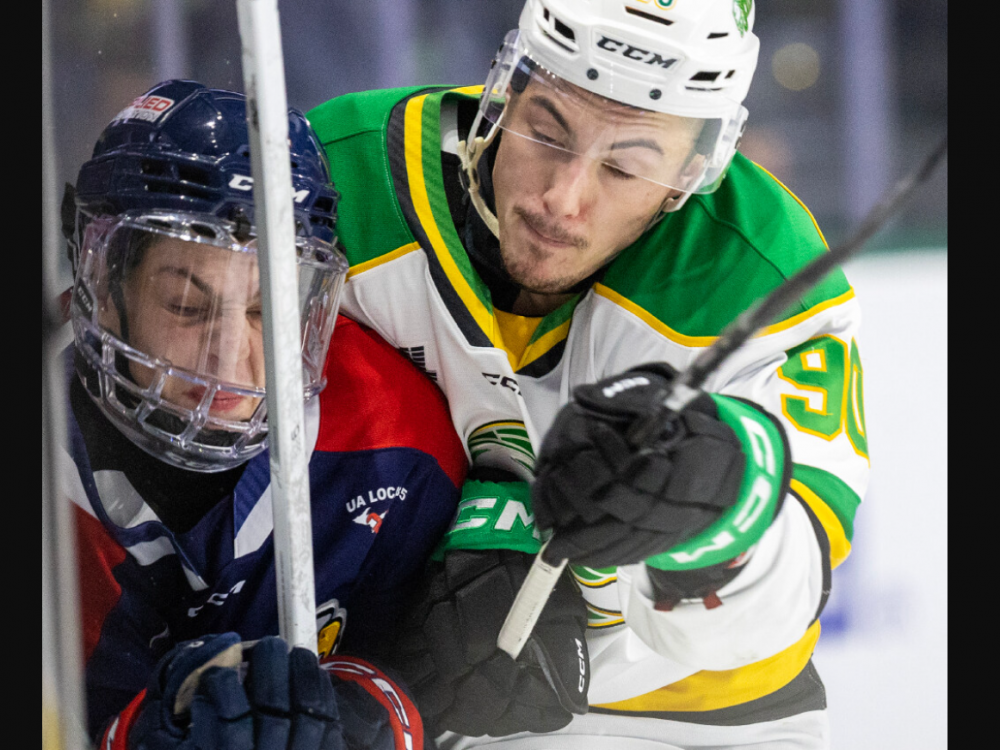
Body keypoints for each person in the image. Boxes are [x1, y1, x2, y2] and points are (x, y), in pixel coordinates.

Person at [305, 1, 867, 748]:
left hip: (689, 717)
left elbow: (772, 605)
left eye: (626, 165)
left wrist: (711, 510)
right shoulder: (338, 178)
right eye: (546, 129)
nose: (562, 199)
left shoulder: (763, 269)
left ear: (692, 173)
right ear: (502, 90)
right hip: (400, 686)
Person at [58, 80, 469, 749]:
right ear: (103, 283)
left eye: (267, 311)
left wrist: (364, 718)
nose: (229, 354)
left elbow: (433, 670)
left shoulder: (397, 438)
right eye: (186, 304)